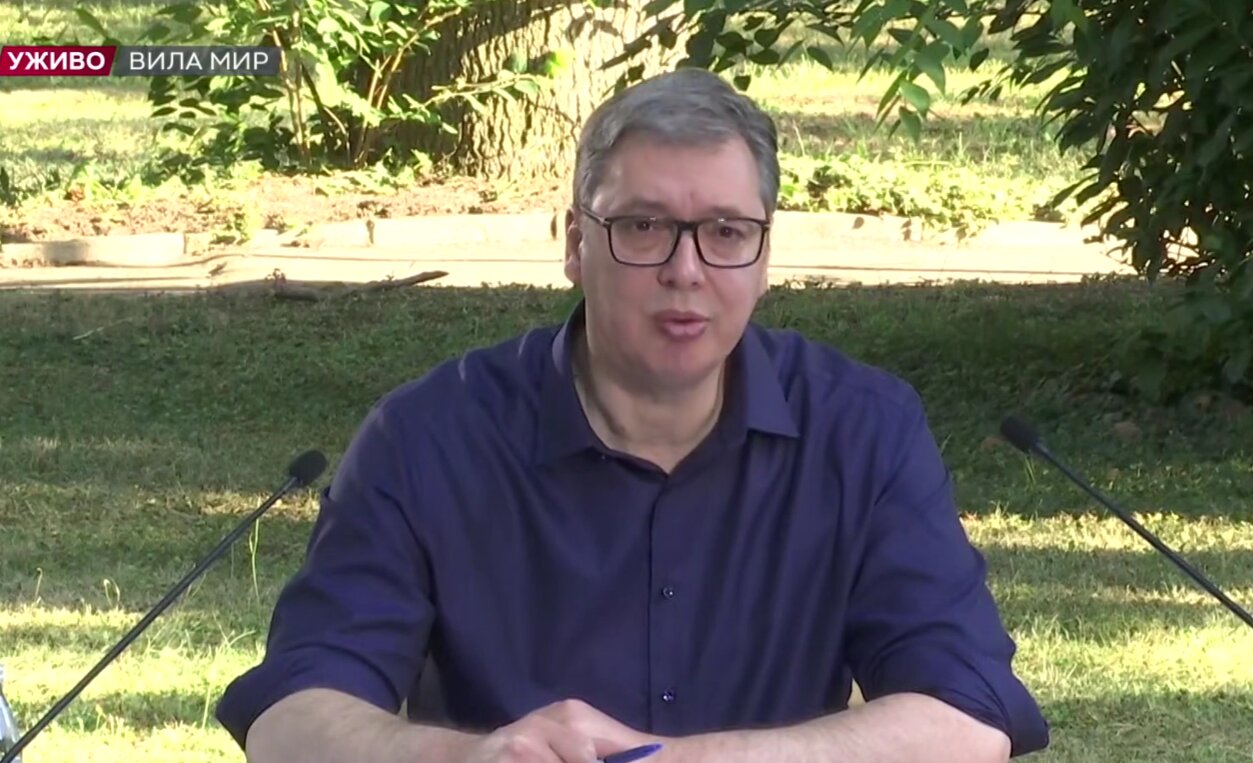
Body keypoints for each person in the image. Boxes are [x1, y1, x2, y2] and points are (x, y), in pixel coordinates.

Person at [215, 67, 1049, 762]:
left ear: (764, 255)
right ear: (574, 244)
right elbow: (292, 716)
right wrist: (474, 757)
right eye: (643, 227)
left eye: (726, 231)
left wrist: (688, 760)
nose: (686, 269)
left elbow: (967, 712)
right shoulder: (427, 438)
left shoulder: (861, 430)